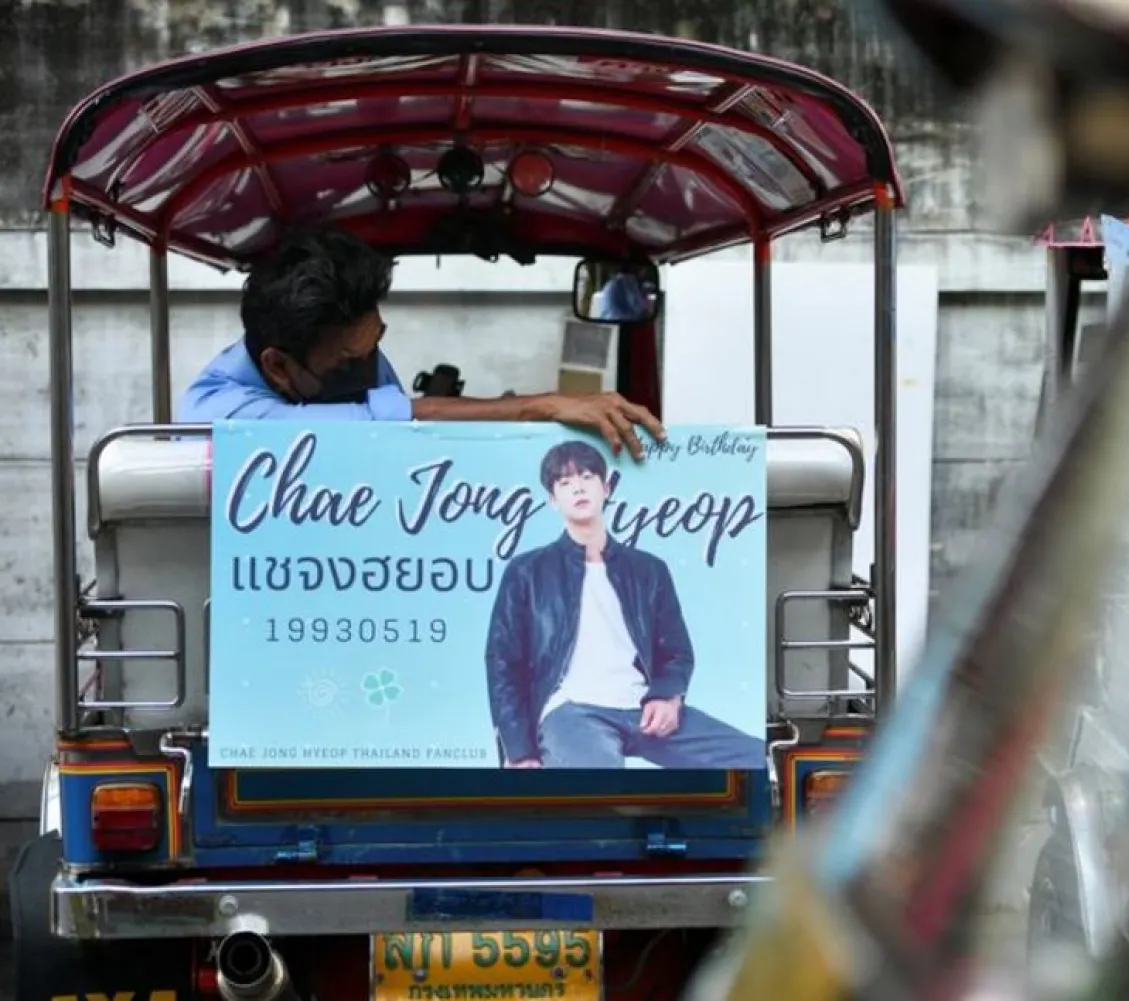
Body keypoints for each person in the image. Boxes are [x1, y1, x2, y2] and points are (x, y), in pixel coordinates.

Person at [179, 226, 665, 459]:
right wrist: (538, 407)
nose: (370, 370)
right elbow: (392, 420)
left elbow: (400, 436)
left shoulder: (358, 361)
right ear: (279, 367)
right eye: (351, 360)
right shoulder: (216, 416)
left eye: (376, 345)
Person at [484, 439, 765, 770]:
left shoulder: (648, 569)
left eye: (587, 477)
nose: (577, 488)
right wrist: (520, 751)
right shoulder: (527, 571)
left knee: (755, 759)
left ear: (606, 488)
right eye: (565, 482)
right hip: (572, 711)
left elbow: (677, 651)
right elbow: (503, 663)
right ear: (552, 500)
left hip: (642, 706)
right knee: (602, 790)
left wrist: (666, 695)